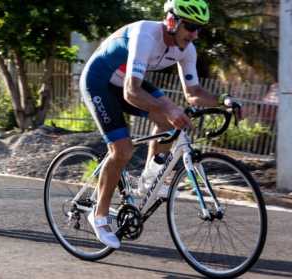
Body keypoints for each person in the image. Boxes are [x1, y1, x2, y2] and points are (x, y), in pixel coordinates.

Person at [80, 0, 237, 249]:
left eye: (200, 29)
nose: (195, 34)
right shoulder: (146, 35)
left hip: (129, 82)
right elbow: (132, 92)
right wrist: (168, 108)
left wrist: (223, 101)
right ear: (172, 21)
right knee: (122, 150)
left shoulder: (187, 49)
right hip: (100, 82)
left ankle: (148, 180)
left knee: (172, 122)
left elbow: (193, 92)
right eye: (191, 27)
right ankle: (98, 215)